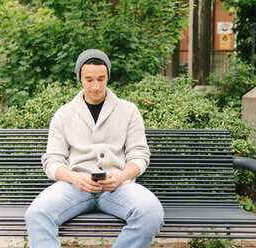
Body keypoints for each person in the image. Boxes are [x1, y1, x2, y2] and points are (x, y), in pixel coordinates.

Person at [25, 49, 164, 248]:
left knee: (151, 212)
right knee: (37, 214)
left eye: (101, 78)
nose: (96, 86)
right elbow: (52, 160)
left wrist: (122, 176)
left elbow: (140, 155)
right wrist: (74, 178)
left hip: (117, 186)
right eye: (89, 79)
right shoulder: (64, 114)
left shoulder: (128, 110)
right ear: (80, 79)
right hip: (74, 187)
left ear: (108, 76)